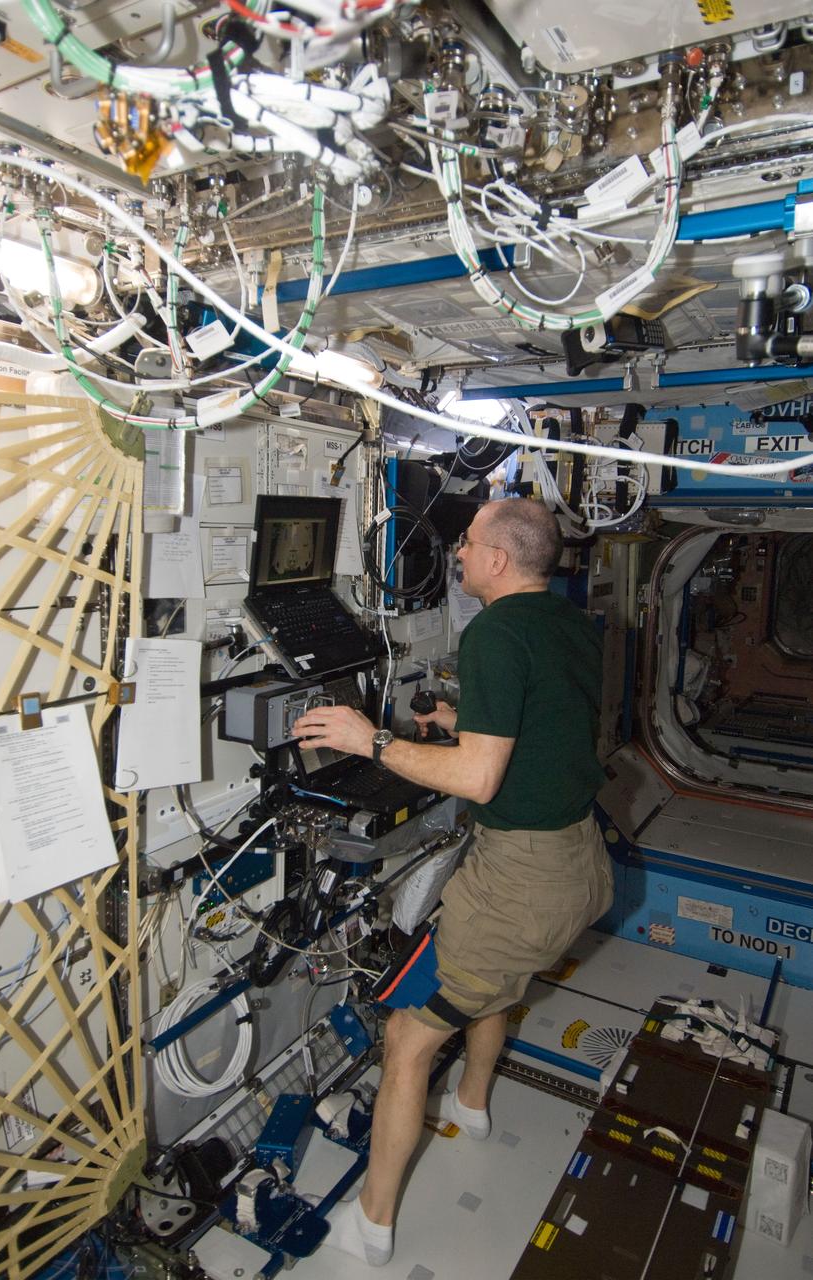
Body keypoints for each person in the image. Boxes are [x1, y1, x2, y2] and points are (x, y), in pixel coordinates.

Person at [292, 497, 612, 1268]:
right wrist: (460, 721)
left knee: (408, 1037)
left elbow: (476, 776)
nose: (458, 556)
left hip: (524, 880)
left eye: (467, 544)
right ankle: (470, 1107)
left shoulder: (493, 631)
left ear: (499, 560)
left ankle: (370, 1226)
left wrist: (368, 739)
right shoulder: (564, 620)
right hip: (578, 863)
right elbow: (544, 718)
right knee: (493, 988)